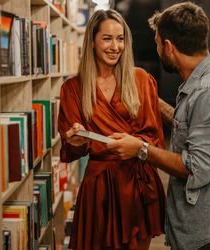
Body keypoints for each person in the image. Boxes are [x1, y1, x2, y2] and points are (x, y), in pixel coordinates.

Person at [107, 2, 210, 250]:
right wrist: (149, 99)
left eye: (157, 43)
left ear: (168, 46)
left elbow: (195, 167)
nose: (157, 49)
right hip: (202, 232)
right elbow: (196, 127)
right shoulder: (203, 86)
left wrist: (141, 149)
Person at [58, 9, 166, 250]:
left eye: (120, 38)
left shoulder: (141, 79)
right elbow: (72, 147)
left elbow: (154, 136)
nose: (115, 46)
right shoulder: (73, 88)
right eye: (107, 38)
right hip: (99, 189)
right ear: (93, 42)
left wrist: (134, 145)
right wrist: (77, 140)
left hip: (136, 183)